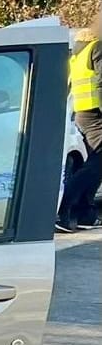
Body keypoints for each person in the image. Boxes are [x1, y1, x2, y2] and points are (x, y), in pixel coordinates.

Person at [57, 22, 102, 231]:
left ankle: (86, 214)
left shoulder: (78, 51)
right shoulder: (97, 47)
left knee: (95, 164)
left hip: (83, 113)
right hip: (96, 113)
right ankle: (64, 209)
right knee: (95, 163)